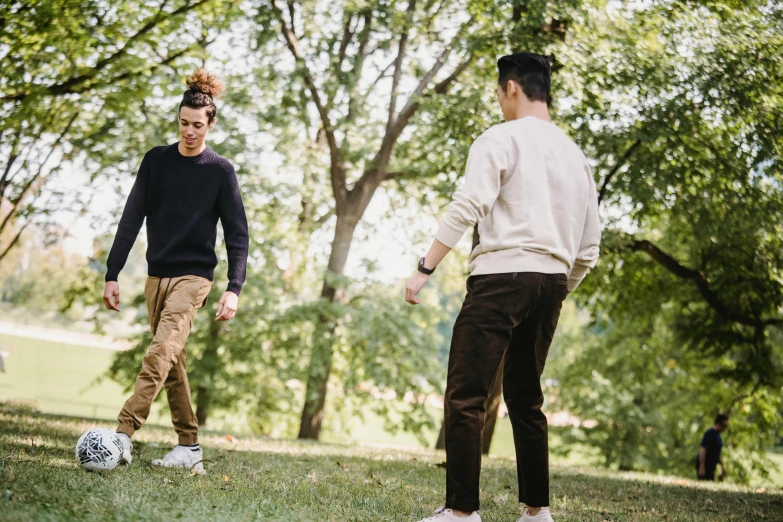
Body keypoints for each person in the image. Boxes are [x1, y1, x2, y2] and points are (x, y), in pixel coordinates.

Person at [405, 52, 601, 522]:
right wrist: (557, 289)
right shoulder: (576, 157)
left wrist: (425, 268)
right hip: (551, 280)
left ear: (511, 88)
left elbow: (467, 204)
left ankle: (461, 512)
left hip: (500, 278)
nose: (498, 102)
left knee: (466, 394)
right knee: (526, 398)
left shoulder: (499, 138)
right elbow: (590, 247)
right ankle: (537, 512)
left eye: (498, 93)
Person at [102, 69, 249, 474]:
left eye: (197, 125)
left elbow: (238, 234)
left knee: (160, 352)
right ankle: (190, 448)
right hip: (156, 277)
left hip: (194, 278)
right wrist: (113, 272)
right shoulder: (156, 161)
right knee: (172, 362)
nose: (189, 132)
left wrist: (234, 287)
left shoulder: (220, 171)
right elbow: (131, 218)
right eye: (184, 123)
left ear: (211, 124)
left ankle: (122, 434)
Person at [696, 414, 729, 481]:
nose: (725, 428)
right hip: (706, 466)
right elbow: (703, 449)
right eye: (724, 426)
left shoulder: (718, 437)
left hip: (712, 467)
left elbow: (717, 454)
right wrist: (702, 467)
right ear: (718, 424)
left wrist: (722, 467)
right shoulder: (709, 433)